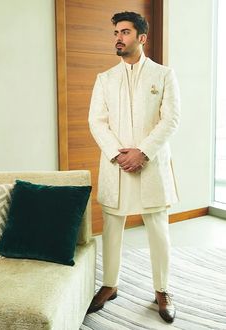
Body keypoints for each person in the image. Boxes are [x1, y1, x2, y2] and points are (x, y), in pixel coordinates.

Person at [87, 11, 180, 324]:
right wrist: (119, 154)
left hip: (150, 163)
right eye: (116, 31)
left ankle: (162, 290)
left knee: (158, 227)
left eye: (125, 32)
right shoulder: (105, 79)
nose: (118, 37)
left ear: (142, 38)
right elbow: (97, 122)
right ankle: (110, 285)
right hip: (116, 165)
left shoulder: (164, 75)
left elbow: (171, 120)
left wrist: (142, 152)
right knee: (112, 226)